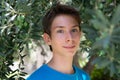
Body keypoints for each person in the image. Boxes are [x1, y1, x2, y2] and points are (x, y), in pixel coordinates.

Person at [27, 3, 90, 80]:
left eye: (74, 30)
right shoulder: (37, 78)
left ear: (80, 34)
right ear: (48, 39)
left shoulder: (84, 77)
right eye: (60, 31)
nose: (70, 38)